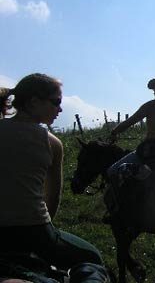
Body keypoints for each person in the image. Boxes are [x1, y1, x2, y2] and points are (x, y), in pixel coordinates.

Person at [0, 73, 109, 283]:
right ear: (33, 102)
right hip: (34, 231)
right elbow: (53, 198)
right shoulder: (52, 143)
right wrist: (47, 232)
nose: (60, 109)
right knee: (92, 257)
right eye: (56, 102)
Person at [106, 75, 155, 212]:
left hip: (152, 153)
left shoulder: (153, 104)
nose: (153, 91)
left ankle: (120, 209)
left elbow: (129, 122)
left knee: (112, 171)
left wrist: (114, 133)